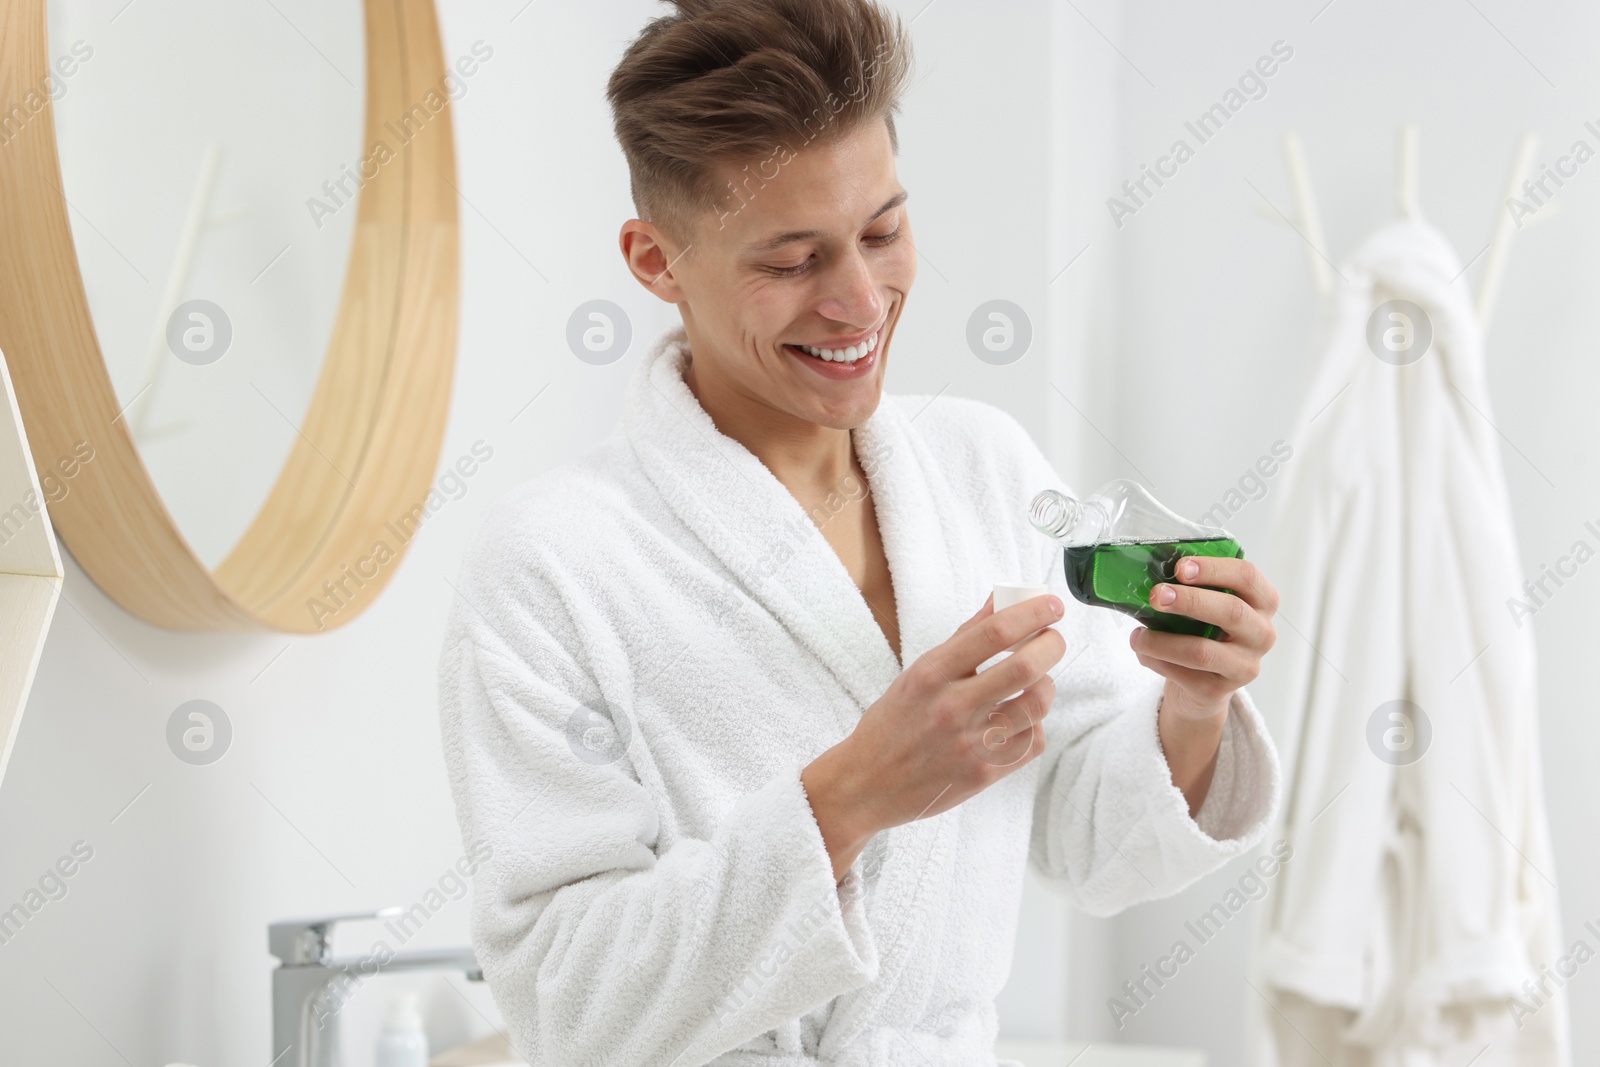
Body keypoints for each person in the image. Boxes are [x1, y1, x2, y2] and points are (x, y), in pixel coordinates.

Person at [438, 1, 1283, 1063]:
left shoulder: (982, 467)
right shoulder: (551, 563)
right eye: (791, 261)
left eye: (881, 232)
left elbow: (1090, 842)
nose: (859, 301)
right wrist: (847, 798)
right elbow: (567, 1001)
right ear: (656, 261)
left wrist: (1195, 700)